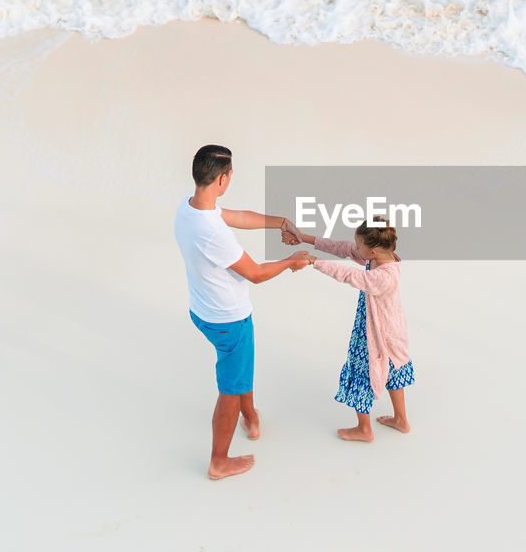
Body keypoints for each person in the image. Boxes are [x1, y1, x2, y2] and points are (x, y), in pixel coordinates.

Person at [173, 144, 312, 480]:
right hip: (228, 320)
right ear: (224, 178)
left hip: (204, 311)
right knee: (229, 391)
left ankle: (250, 417)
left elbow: (238, 217)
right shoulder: (213, 234)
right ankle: (218, 461)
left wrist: (281, 222)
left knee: (240, 370)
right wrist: (292, 261)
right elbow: (257, 274)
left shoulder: (190, 208)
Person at [294, 219, 413, 442]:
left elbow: (352, 276)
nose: (355, 250)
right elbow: (341, 248)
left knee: (362, 372)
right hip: (391, 330)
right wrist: (305, 238)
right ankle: (401, 420)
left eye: (359, 247)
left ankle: (364, 429)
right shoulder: (380, 258)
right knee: (394, 370)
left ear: (373, 251)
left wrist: (314, 262)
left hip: (376, 335)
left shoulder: (384, 276)